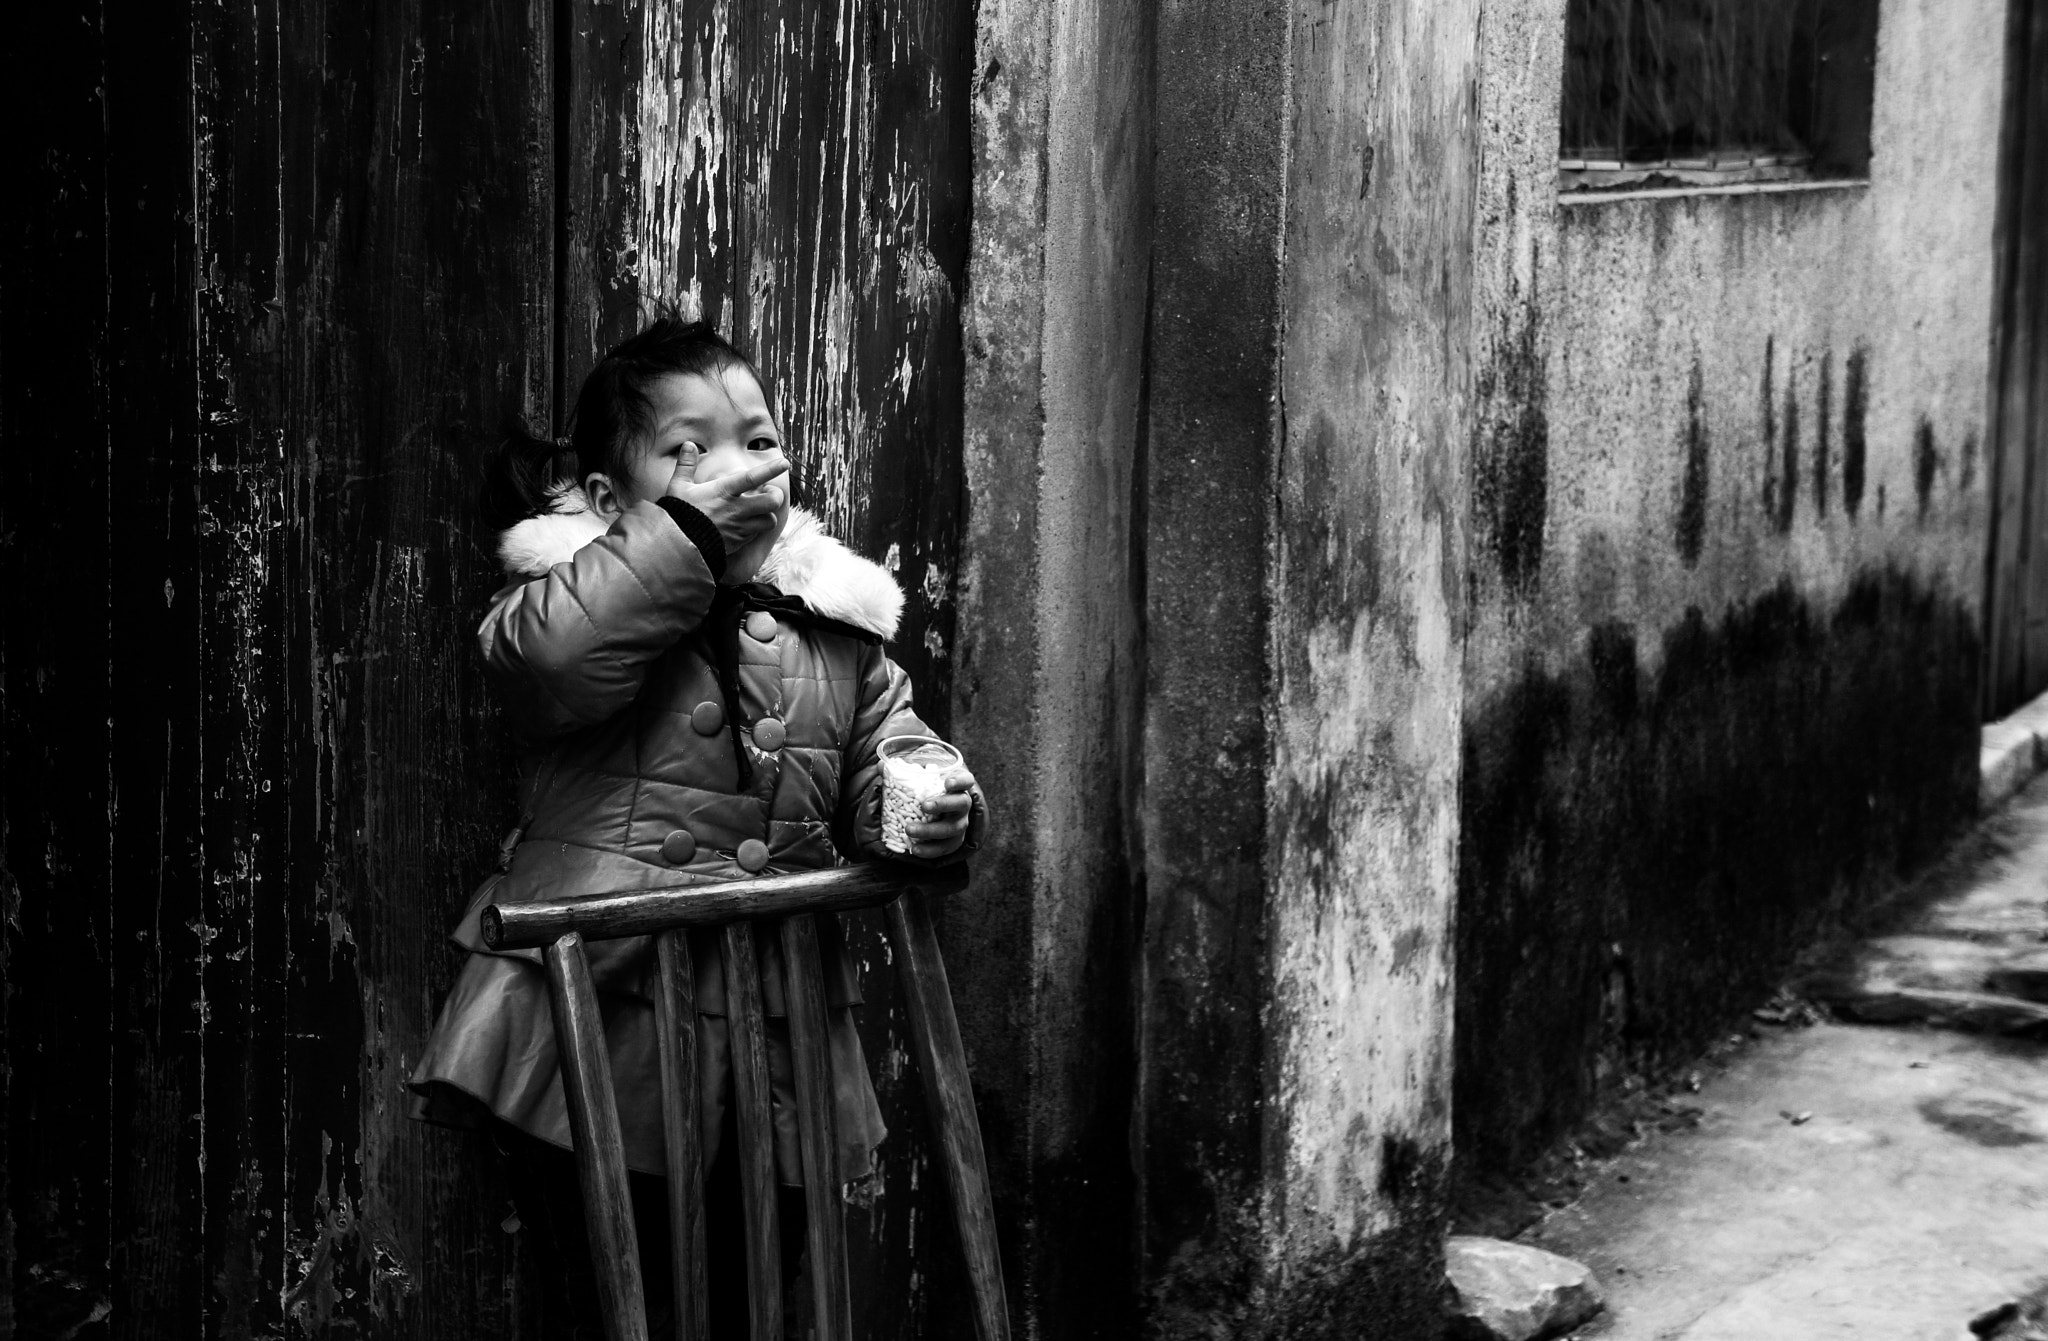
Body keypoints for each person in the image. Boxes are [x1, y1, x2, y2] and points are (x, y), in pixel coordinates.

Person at [408, 310, 984, 1338]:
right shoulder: (564, 596)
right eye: (689, 451)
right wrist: (680, 538)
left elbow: (887, 750)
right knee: (621, 1293)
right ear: (603, 498)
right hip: (603, 1026)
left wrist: (922, 805)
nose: (737, 465)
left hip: (776, 1038)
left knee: (758, 1291)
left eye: (756, 439)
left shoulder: (828, 628)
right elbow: (552, 664)